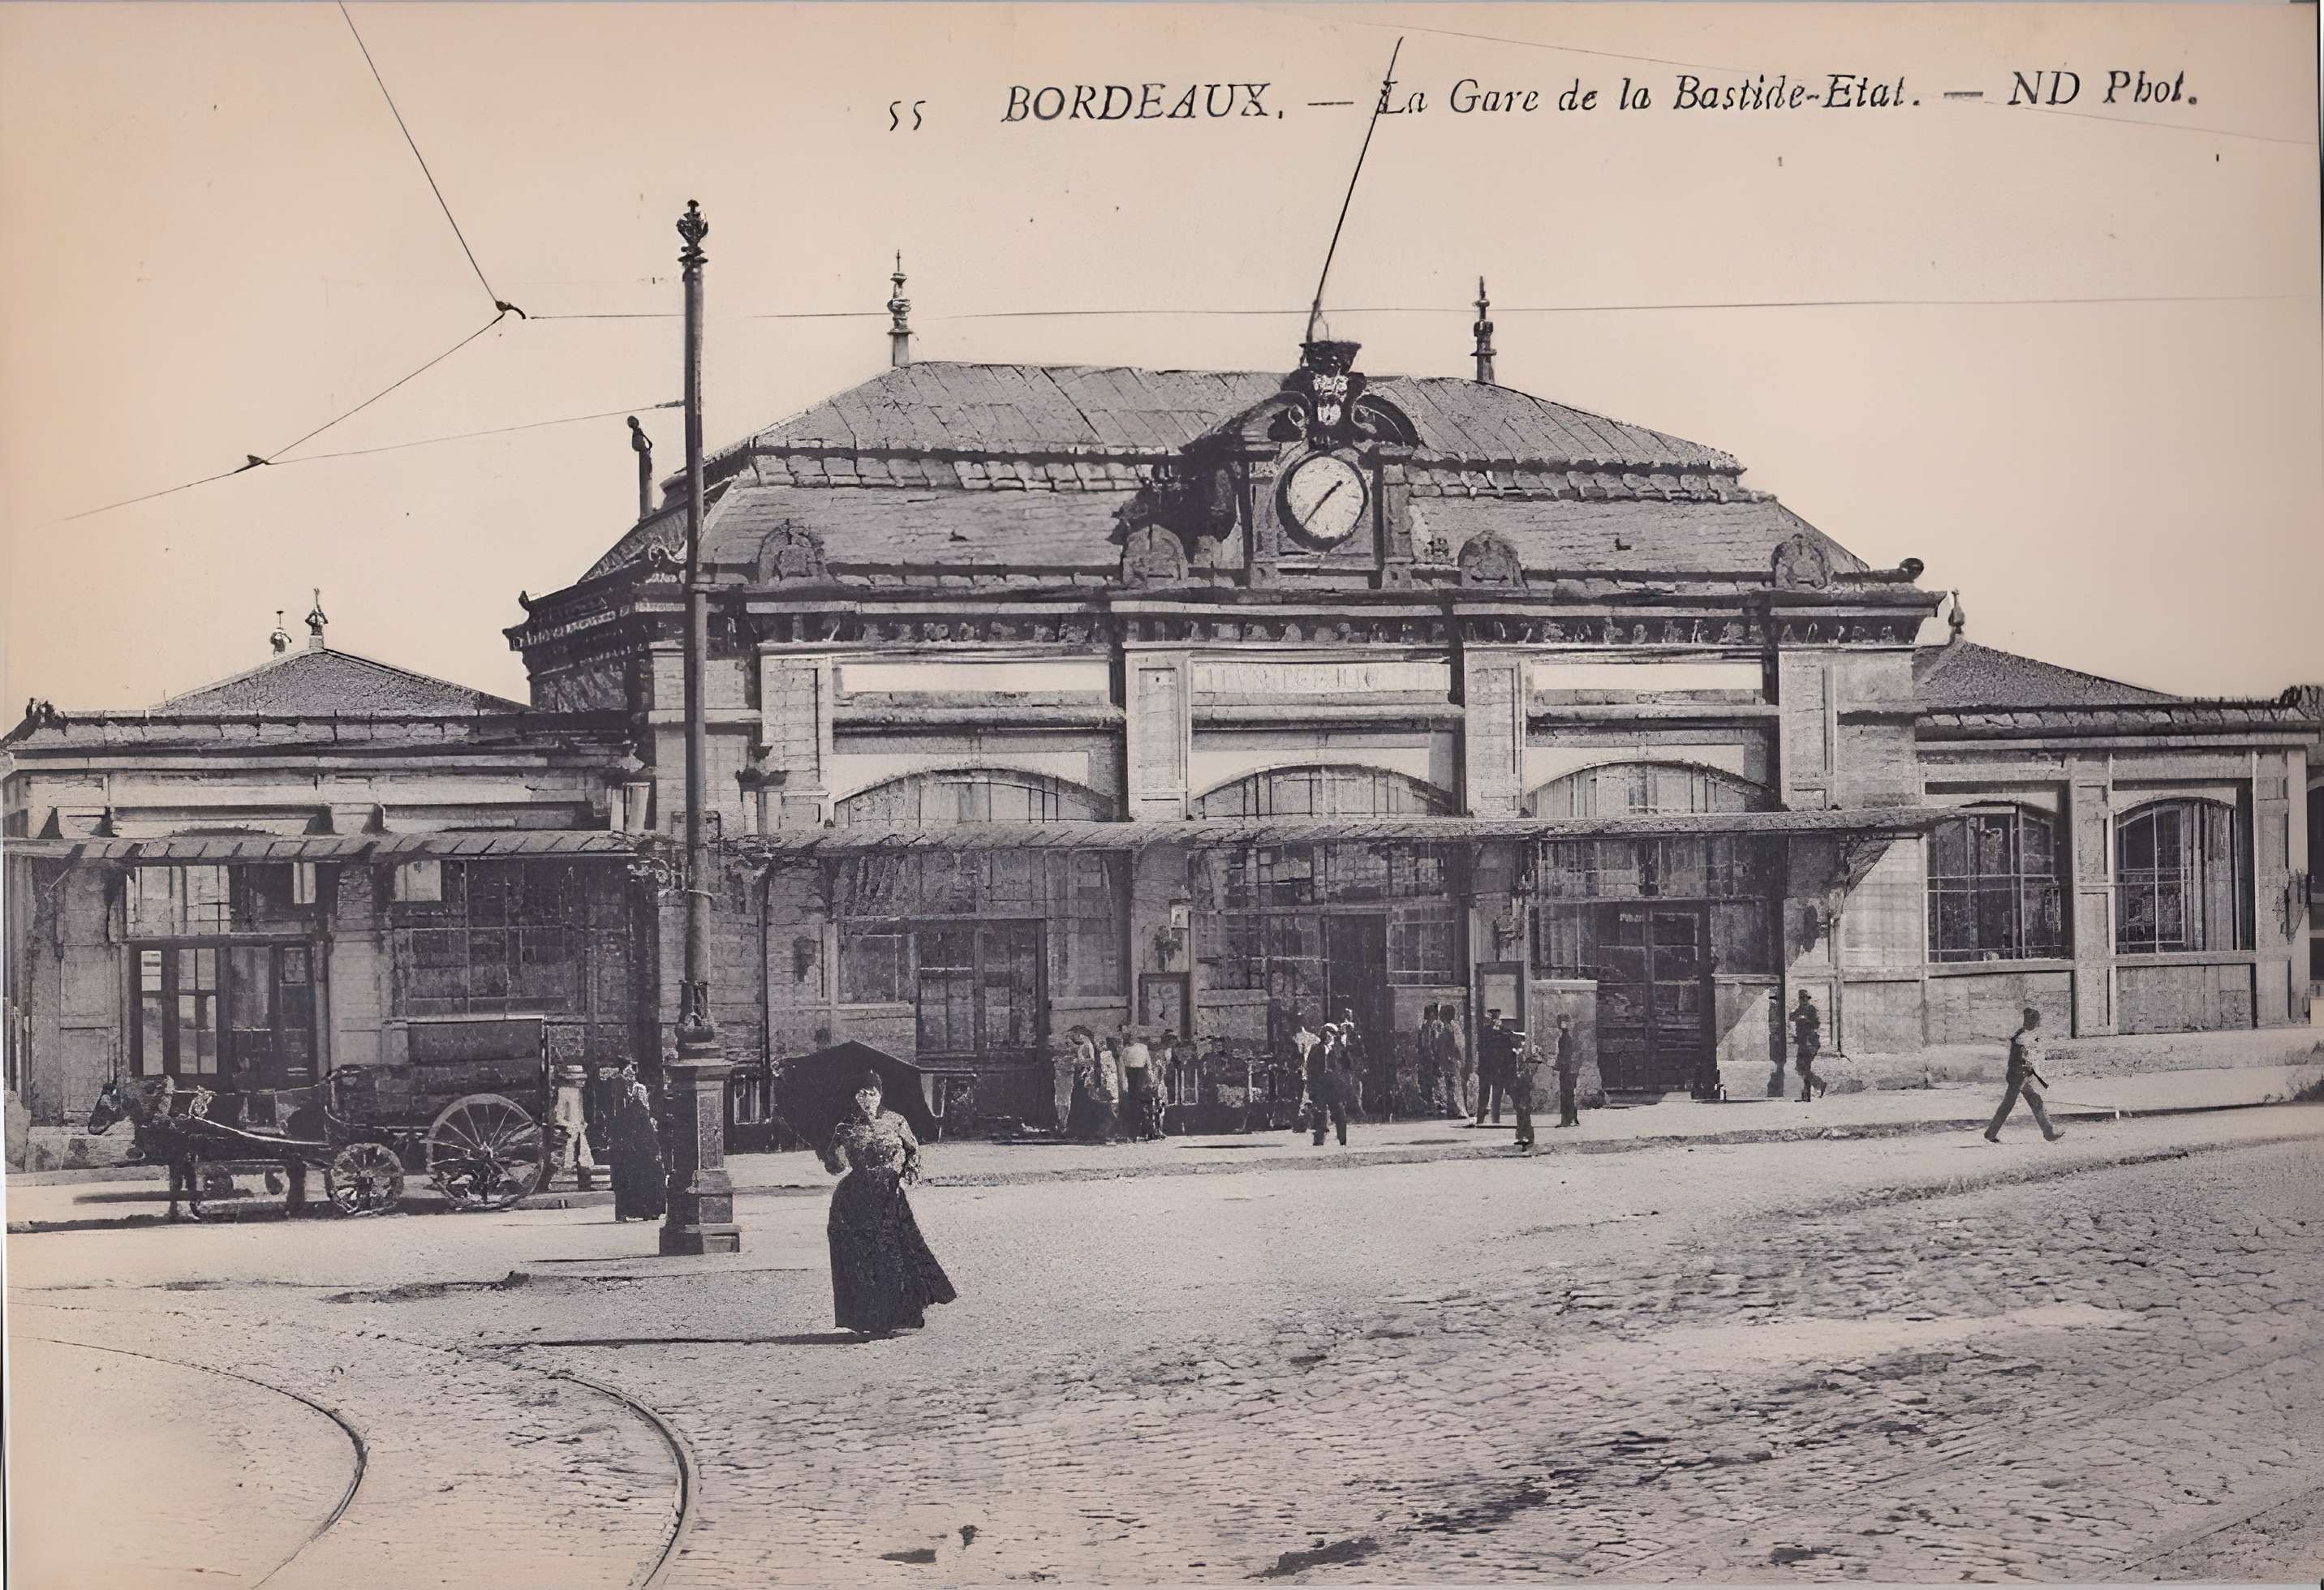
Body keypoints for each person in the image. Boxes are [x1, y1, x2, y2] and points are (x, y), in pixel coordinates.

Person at [820, 1072, 958, 1339]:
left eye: (872, 1093)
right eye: (861, 1093)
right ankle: (867, 1319)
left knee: (894, 1254)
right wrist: (835, 1148)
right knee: (862, 1259)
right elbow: (834, 1167)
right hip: (854, 1199)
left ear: (880, 1094)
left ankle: (898, 1314)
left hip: (889, 1194)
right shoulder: (846, 1126)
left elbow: (913, 1152)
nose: (866, 1099)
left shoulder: (896, 1121)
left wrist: (905, 1178)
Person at [1986, 1006, 2065, 1144]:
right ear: (2032, 1023)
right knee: (2010, 1105)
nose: (2038, 1024)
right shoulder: (2023, 1037)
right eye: (2037, 1021)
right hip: (2019, 1077)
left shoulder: (2022, 1035)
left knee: (2034, 1102)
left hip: (2020, 1076)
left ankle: (2049, 1133)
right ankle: (2048, 1133)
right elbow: (2023, 1060)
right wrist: (2028, 1070)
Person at [608, 1080, 667, 1222]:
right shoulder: (642, 1113)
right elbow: (647, 1136)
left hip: (629, 1154)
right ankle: (649, 1211)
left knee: (632, 1184)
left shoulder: (626, 1111)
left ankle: (631, 1211)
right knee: (649, 1182)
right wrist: (655, 1151)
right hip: (644, 1154)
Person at [550, 1064, 597, 1192]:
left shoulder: (579, 1093)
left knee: (584, 1157)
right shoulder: (564, 1092)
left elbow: (580, 1113)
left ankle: (585, 1184)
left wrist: (583, 1124)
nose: (582, 1082)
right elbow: (559, 1115)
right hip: (569, 1130)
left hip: (579, 1129)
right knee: (565, 1158)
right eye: (579, 1080)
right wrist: (569, 1126)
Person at [1308, 1024, 1350, 1147]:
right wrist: (1312, 1083)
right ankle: (1319, 1139)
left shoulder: (1339, 1049)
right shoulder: (1316, 1048)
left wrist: (1344, 1081)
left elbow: (1347, 1066)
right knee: (1319, 1112)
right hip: (1320, 1085)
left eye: (1332, 1034)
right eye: (1327, 1034)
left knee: (1339, 1112)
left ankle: (1343, 1139)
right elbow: (1310, 1067)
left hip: (1335, 1086)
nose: (1329, 1036)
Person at [1474, 1009, 1515, 1126]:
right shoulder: (1497, 1032)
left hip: (1493, 1067)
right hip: (1493, 1067)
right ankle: (1488, 1119)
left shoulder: (1495, 1032)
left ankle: (1488, 1119)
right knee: (1489, 1094)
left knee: (1490, 1094)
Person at [1120, 1027, 1158, 1141]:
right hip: (1132, 1077)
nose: (1130, 1039)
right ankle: (1134, 1133)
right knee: (1134, 1105)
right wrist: (1125, 1082)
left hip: (1142, 1076)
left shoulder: (1143, 1048)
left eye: (1131, 1037)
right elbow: (1124, 1067)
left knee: (1146, 1105)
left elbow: (1149, 1064)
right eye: (1128, 1037)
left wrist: (1151, 1079)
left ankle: (1148, 1132)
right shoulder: (1125, 1050)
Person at [1792, 991, 1827, 1102]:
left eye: (1805, 998)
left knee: (1804, 1068)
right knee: (1800, 1068)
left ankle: (1812, 1090)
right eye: (1801, 998)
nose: (1803, 1000)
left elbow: (1816, 1024)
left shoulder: (1811, 1009)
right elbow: (1792, 1020)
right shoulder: (1797, 1011)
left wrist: (1805, 1019)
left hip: (1811, 1043)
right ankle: (1810, 1092)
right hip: (1802, 1043)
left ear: (1808, 999)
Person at [1055, 1028, 1091, 1136]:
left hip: (1073, 1078)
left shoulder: (1082, 1048)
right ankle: (1064, 1124)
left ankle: (1066, 1124)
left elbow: (1082, 1062)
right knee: (1064, 1100)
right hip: (1067, 1078)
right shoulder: (1075, 1050)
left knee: (1068, 1100)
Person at [1508, 1027, 1539, 1150]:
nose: (1517, 1040)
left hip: (1525, 1084)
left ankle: (1528, 1135)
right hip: (1516, 1084)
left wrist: (1525, 1074)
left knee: (1525, 1109)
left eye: (1519, 1038)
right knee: (1518, 1109)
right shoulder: (1514, 1052)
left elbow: (1533, 1068)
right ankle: (1520, 1135)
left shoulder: (1529, 1052)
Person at [1554, 1014, 1582, 1128]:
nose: (1562, 1024)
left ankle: (1567, 1120)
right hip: (1570, 1069)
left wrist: (1559, 1065)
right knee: (1569, 1094)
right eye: (1561, 1022)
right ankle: (1572, 1119)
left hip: (1567, 1070)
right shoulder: (1568, 1037)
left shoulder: (1566, 1038)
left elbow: (1566, 1055)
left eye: (1564, 1022)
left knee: (1566, 1094)